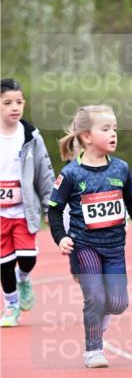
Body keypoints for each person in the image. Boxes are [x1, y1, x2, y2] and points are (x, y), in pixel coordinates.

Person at [47, 105, 132, 368]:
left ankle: (102, 316)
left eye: (115, 128)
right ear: (86, 136)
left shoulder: (120, 169)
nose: (114, 133)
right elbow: (54, 209)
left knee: (118, 303)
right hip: (85, 245)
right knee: (95, 297)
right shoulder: (71, 173)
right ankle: (93, 350)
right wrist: (60, 237)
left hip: (114, 247)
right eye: (106, 129)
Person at [0, 78, 55, 326]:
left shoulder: (31, 136)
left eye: (19, 102)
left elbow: (45, 173)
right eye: (7, 103)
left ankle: (23, 278)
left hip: (24, 210)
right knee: (4, 262)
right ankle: (11, 307)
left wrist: (49, 207)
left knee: (28, 258)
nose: (15, 107)